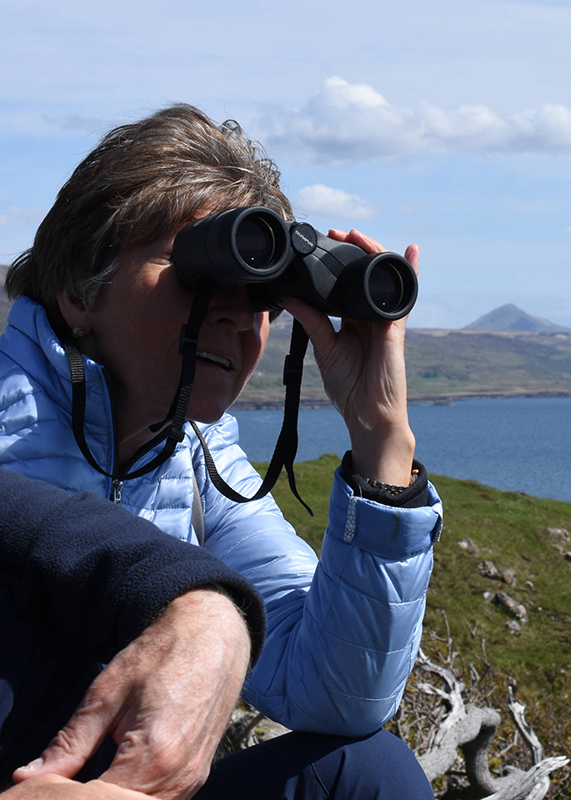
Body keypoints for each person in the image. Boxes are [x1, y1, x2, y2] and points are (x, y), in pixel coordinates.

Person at [0, 105, 441, 798]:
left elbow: (333, 692)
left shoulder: (197, 462)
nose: (238, 314)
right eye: (196, 273)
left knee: (365, 774)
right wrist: (196, 600)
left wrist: (381, 438)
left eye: (263, 292)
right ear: (79, 289)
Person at [0, 466, 264, 799]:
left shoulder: (207, 454)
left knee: (347, 768)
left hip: (106, 764)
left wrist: (203, 606)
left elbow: (32, 515)